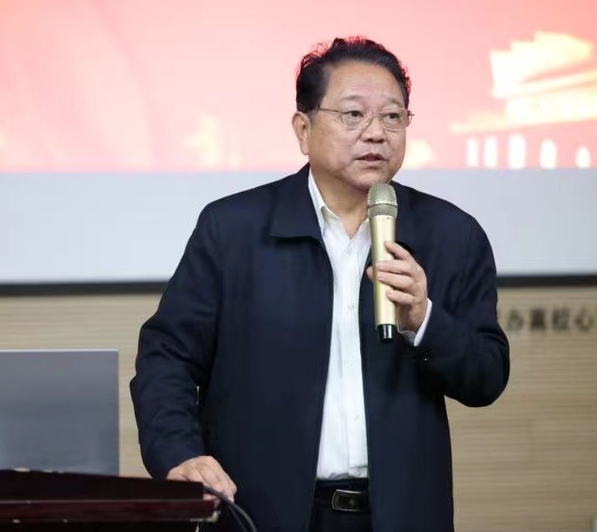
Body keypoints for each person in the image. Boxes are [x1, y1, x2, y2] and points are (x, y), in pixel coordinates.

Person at [130, 36, 510, 532]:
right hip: (261, 513)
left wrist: (425, 321)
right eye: (353, 115)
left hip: (401, 515)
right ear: (303, 130)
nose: (376, 133)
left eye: (393, 117)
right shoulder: (234, 230)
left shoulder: (450, 234)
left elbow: (487, 377)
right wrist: (180, 454)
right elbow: (167, 357)